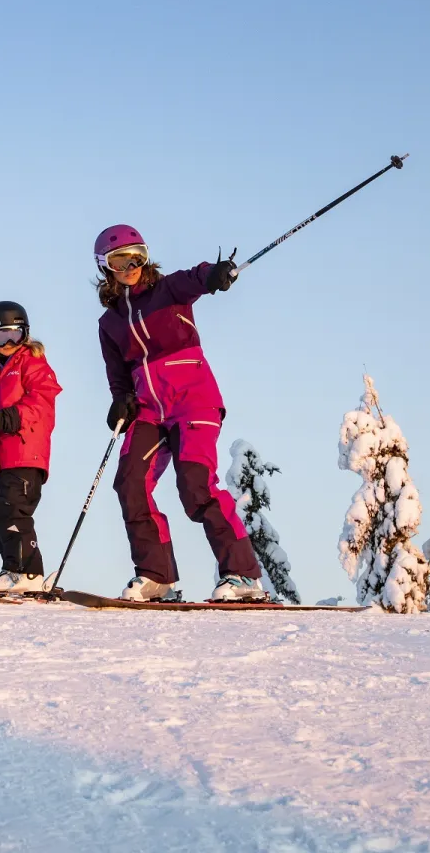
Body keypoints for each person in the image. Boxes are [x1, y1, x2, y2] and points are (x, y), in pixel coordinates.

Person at [93, 225, 269, 602]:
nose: (131, 265)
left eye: (137, 256)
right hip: (147, 410)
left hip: (193, 400)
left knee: (196, 485)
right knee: (130, 485)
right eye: (119, 260)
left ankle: (242, 575)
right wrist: (121, 399)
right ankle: (156, 575)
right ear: (105, 267)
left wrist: (215, 275)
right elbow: (117, 375)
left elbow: (197, 278)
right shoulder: (109, 323)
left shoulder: (167, 289)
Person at [0, 300, 62, 595]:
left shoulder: (32, 364)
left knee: (13, 511)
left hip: (25, 454)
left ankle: (29, 573)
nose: (8, 343)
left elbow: (42, 403)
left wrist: (7, 417)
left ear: (25, 335)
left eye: (15, 335)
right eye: (0, 336)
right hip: (1, 459)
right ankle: (13, 569)